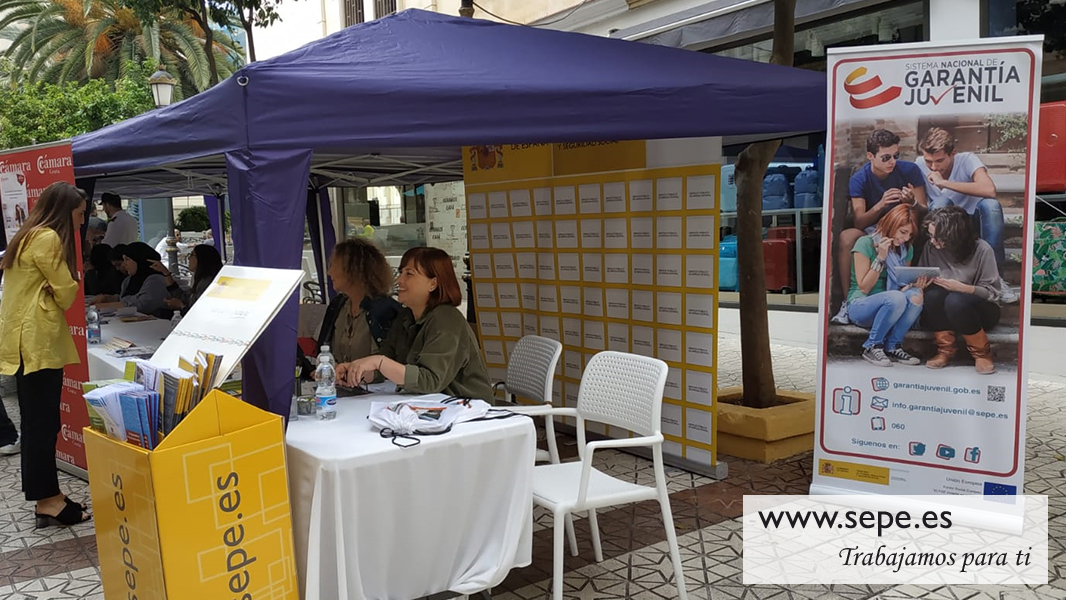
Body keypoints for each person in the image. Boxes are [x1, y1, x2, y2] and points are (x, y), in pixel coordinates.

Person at [0, 181, 91, 527]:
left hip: (25, 342)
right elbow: (67, 292)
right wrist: (64, 285)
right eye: (80, 215)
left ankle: (48, 495)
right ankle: (48, 501)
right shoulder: (49, 238)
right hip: (37, 343)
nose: (81, 222)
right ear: (66, 211)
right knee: (42, 425)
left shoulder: (27, 234)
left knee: (39, 422)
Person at [336, 247, 492, 402]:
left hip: (468, 412)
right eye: (401, 272)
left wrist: (379, 362)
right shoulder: (406, 316)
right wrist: (357, 370)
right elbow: (386, 365)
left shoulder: (447, 319)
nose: (400, 280)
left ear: (433, 283)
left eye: (409, 274)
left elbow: (430, 380)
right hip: (428, 407)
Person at [833, 129, 928, 325]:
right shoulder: (860, 179)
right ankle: (848, 301)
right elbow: (859, 221)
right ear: (870, 156)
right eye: (886, 157)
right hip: (873, 230)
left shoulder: (909, 170)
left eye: (896, 156)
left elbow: (924, 209)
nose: (892, 162)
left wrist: (912, 203)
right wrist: (881, 204)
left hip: (905, 230)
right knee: (847, 237)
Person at [916, 127, 1017, 303]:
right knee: (940, 204)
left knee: (991, 206)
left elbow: (989, 190)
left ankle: (997, 279)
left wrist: (945, 183)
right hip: (942, 221)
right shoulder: (918, 164)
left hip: (970, 220)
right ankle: (940, 272)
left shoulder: (967, 160)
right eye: (928, 161)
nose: (933, 167)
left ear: (953, 153)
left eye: (939, 161)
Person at [918, 206, 1004, 375]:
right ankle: (945, 350)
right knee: (934, 295)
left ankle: (982, 354)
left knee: (955, 300)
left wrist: (963, 288)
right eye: (930, 235)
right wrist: (921, 283)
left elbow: (992, 293)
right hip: (943, 310)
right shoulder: (931, 247)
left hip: (979, 310)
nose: (933, 241)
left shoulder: (982, 249)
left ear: (954, 235)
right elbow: (923, 272)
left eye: (938, 237)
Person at [843, 204, 928, 367]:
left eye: (909, 235)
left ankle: (893, 346)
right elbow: (864, 287)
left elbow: (900, 289)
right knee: (896, 298)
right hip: (861, 305)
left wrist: (914, 285)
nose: (904, 238)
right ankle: (872, 346)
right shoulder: (865, 243)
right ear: (891, 224)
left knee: (916, 294)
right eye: (903, 232)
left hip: (891, 306)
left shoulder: (905, 249)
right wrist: (881, 258)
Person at [319, 238, 402, 363]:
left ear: (353, 269)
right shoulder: (337, 305)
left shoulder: (386, 310)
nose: (329, 272)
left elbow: (393, 362)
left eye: (333, 265)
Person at [91, 242, 170, 318]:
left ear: (139, 260)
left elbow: (142, 305)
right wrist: (108, 298)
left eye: (127, 259)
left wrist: (108, 306)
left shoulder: (155, 279)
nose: (125, 264)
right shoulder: (128, 281)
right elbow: (127, 299)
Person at [155, 244, 223, 315]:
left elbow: (199, 312)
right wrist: (165, 272)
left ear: (202, 258)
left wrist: (180, 306)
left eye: (192, 255)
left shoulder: (206, 283)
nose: (189, 258)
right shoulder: (200, 279)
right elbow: (184, 296)